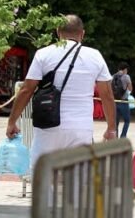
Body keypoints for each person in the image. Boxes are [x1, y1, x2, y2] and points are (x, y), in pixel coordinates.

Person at [6, 15, 117, 166]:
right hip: (80, 128)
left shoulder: (43, 54)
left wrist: (12, 121)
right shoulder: (94, 56)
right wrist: (111, 129)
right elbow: (107, 95)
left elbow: (26, 90)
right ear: (82, 34)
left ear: (58, 32)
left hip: (47, 126)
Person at [112, 62, 133, 138]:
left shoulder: (113, 76)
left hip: (115, 102)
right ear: (125, 69)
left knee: (116, 122)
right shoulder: (126, 77)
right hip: (124, 101)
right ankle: (123, 136)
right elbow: (130, 89)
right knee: (127, 120)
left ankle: (115, 138)